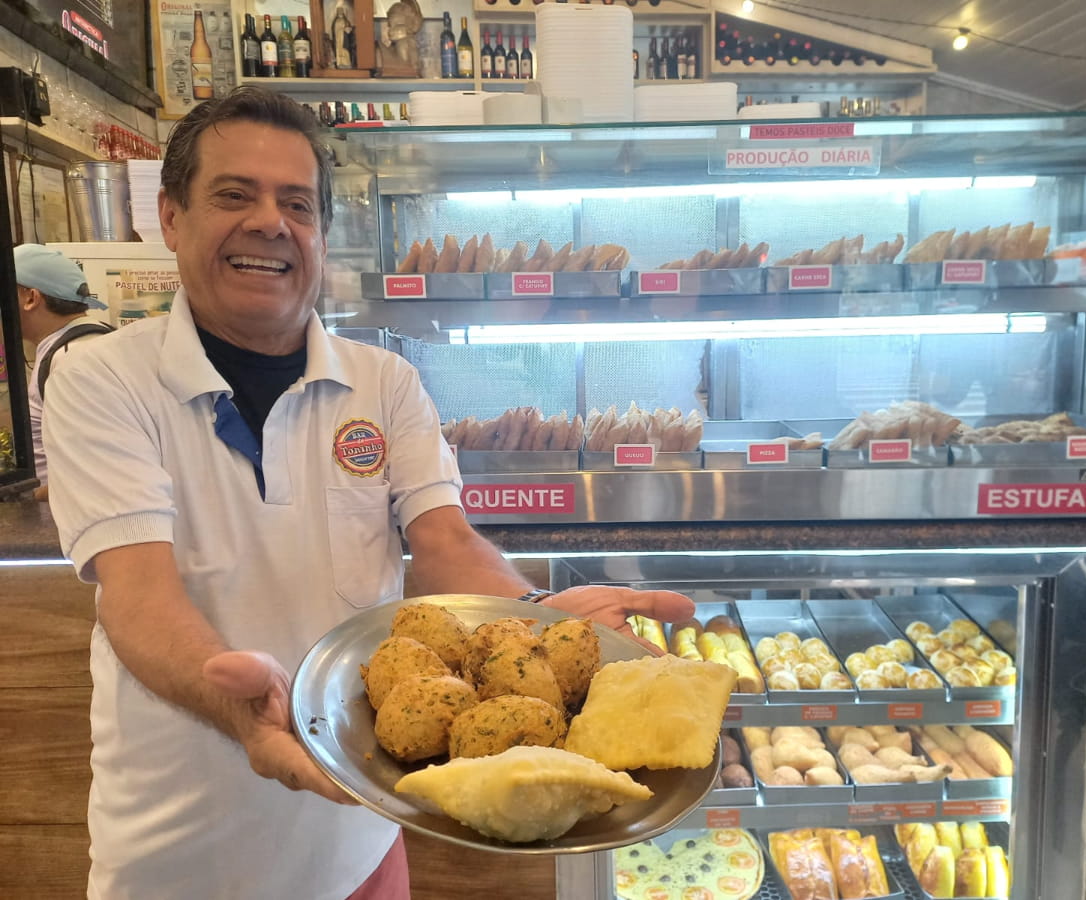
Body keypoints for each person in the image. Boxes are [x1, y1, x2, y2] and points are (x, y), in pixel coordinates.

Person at [42, 85, 695, 900]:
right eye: (234, 195)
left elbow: (445, 544)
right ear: (171, 217)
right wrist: (238, 700)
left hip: (362, 835)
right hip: (180, 855)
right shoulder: (101, 379)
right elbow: (136, 595)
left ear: (319, 231)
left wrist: (532, 622)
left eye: (297, 203)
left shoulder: (382, 381)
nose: (270, 223)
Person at [13, 243, 112, 501]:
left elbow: (96, 475)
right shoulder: (70, 347)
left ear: (31, 298)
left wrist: (23, 500)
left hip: (63, 528)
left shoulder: (74, 360)